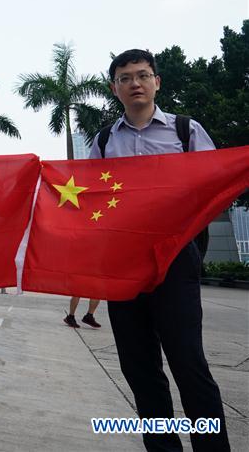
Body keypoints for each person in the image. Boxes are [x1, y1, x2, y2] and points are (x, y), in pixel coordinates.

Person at [90, 49, 229, 452]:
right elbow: (92, 203)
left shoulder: (186, 131)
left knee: (189, 365)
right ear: (114, 88)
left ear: (157, 82)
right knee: (140, 368)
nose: (135, 83)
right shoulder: (103, 140)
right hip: (123, 266)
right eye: (126, 78)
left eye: (143, 75)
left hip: (174, 260)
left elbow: (213, 188)